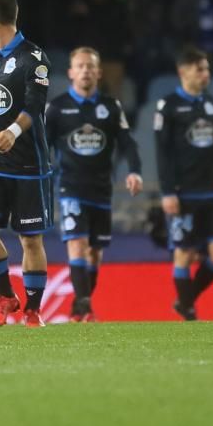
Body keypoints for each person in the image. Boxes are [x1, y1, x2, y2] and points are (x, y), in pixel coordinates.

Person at [0, 0, 53, 328]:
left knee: (30, 239)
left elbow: (35, 105)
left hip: (28, 165)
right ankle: (5, 296)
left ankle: (32, 310)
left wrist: (14, 131)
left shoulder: (34, 59)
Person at [45, 47, 142, 322]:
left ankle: (79, 305)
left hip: (101, 190)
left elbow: (127, 143)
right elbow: (43, 146)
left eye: (90, 66)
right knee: (76, 244)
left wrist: (134, 171)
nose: (85, 70)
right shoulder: (58, 107)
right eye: (80, 66)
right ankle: (86, 308)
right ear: (71, 73)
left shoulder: (111, 107)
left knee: (95, 254)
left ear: (99, 73)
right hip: (70, 188)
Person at [155, 47, 213, 321]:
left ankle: (185, 300)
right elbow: (162, 153)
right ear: (183, 72)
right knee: (185, 252)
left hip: (210, 192)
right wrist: (167, 191)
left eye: (206, 69)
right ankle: (189, 311)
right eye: (199, 69)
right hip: (183, 192)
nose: (205, 74)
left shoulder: (212, 104)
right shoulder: (168, 106)